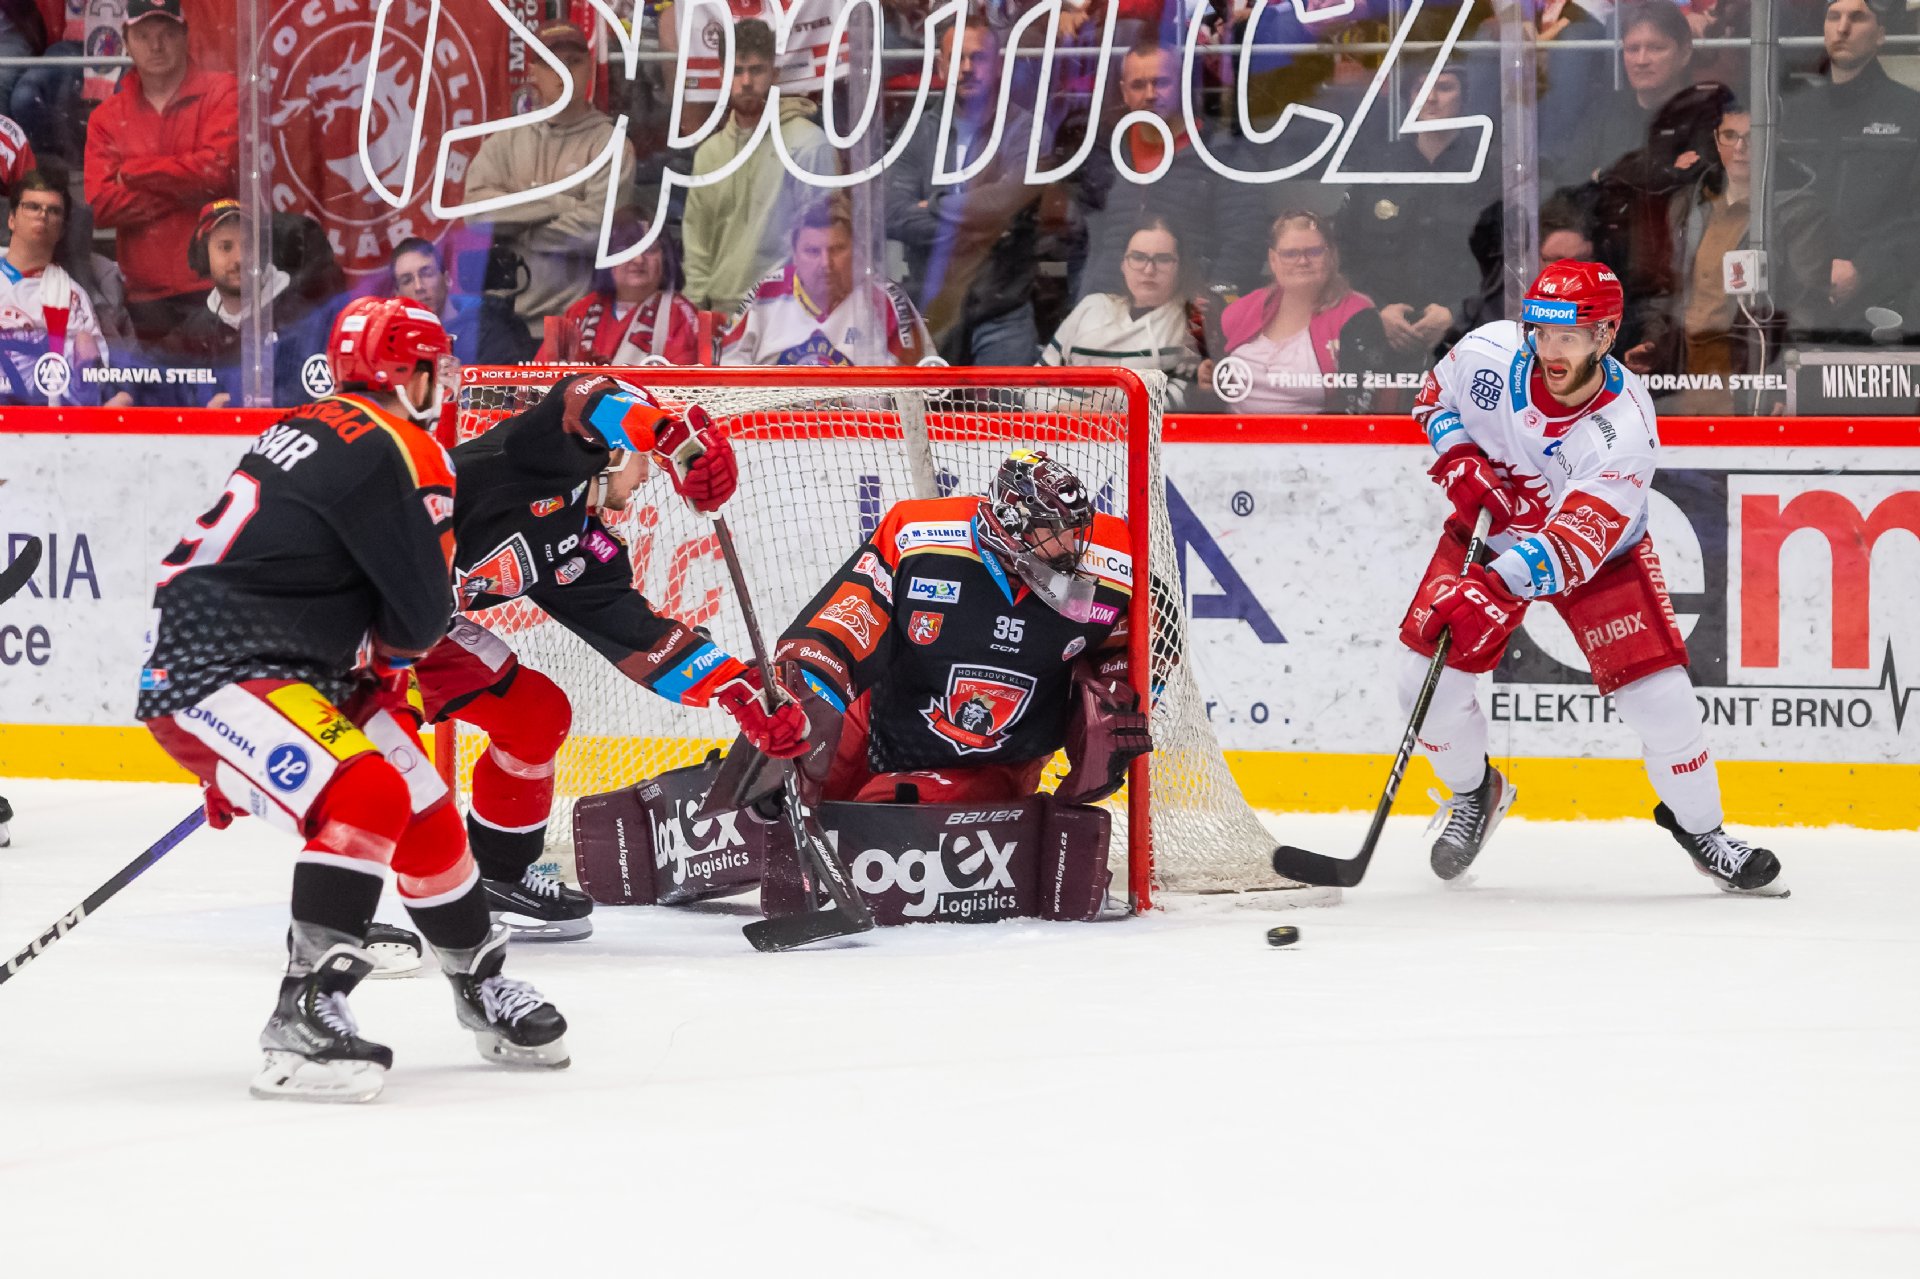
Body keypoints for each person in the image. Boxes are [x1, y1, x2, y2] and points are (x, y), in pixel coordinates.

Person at [137, 296, 570, 1102]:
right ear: (406, 373)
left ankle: (480, 981)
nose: (442, 383)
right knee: (368, 792)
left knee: (425, 809)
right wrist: (384, 667)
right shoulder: (406, 446)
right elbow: (422, 618)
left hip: (277, 663)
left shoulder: (313, 425)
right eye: (433, 368)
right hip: (227, 670)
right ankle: (304, 1010)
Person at [1398, 259, 1785, 895]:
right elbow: (1434, 398)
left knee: (1662, 702)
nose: (1550, 351)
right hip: (1490, 532)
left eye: (1569, 337)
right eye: (1541, 333)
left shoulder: (1625, 424)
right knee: (1420, 682)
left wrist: (1492, 589)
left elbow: (1575, 544)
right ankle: (1475, 793)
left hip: (1598, 559)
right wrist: (1458, 454)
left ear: (1604, 336)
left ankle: (1705, 834)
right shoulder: (1488, 352)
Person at [417, 374, 809, 939]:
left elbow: (641, 638)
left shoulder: (580, 544)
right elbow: (581, 397)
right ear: (615, 451)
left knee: (535, 715)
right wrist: (667, 435)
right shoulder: (532, 457)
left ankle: (498, 876)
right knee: (376, 755)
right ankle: (344, 919)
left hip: (417, 626)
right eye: (641, 460)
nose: (648, 475)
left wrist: (737, 689)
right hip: (346, 603)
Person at [775, 448, 1147, 808]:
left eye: (1076, 530)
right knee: (783, 782)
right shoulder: (918, 536)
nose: (1071, 546)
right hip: (883, 714)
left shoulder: (1110, 564)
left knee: (897, 810)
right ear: (1012, 524)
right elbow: (848, 619)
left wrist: (1114, 695)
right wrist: (802, 691)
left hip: (999, 755)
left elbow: (1152, 635)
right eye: (1054, 531)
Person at [1618, 101, 1826, 412]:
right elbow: (1667, 289)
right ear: (1716, 140)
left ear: (1775, 138)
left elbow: (1806, 306)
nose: (1740, 148)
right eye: (1730, 135)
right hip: (1684, 380)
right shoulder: (1688, 205)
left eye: (1752, 136)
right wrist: (1654, 342)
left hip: (1749, 382)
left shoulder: (1798, 212)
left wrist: (1785, 385)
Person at [463, 21, 635, 339]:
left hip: (578, 325)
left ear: (589, 69)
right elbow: (475, 214)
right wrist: (559, 203)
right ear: (533, 72)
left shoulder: (609, 144)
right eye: (552, 63)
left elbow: (599, 233)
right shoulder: (505, 141)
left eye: (574, 62)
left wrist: (519, 226)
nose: (564, 72)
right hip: (503, 320)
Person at [887, 17, 1042, 364]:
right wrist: (981, 224)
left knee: (1006, 404)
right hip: (933, 311)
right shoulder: (918, 132)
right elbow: (893, 213)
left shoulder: (1025, 130)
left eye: (978, 57)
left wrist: (935, 205)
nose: (967, 68)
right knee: (928, 404)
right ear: (941, 67)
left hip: (1002, 311)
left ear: (998, 65)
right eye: (956, 58)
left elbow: (1007, 203)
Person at [81, 0, 237, 344]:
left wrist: (133, 172)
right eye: (143, 36)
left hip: (219, 285)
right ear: (125, 41)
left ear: (185, 35)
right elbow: (101, 206)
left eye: (166, 34)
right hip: (144, 295)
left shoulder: (221, 90)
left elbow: (217, 173)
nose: (155, 46)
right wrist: (189, 188)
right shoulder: (106, 117)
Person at [1336, 63, 1498, 377]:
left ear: (1464, 98)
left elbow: (1509, 262)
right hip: (1379, 338)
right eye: (1420, 88)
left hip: (1470, 338)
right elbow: (1343, 252)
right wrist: (1376, 308)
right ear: (1408, 98)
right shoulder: (1377, 167)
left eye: (1445, 87)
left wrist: (1459, 312)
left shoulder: (1491, 169)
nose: (1431, 98)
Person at [1779, 0, 1920, 338]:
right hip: (1796, 302)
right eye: (1834, 17)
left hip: (1885, 304)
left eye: (1857, 17)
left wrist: (1866, 269)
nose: (1842, 28)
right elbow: (1769, 205)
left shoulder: (1911, 112)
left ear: (1880, 34)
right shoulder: (1793, 113)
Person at [681, 18, 837, 317]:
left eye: (756, 70)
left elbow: (823, 240)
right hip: (721, 312)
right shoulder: (709, 155)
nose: (746, 81)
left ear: (774, 74)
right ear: (722, 75)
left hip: (788, 311)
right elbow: (697, 245)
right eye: (737, 71)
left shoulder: (808, 145)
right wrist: (698, 311)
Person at [161, 200, 343, 408]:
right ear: (204, 257)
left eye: (248, 245)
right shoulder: (193, 331)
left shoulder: (303, 320)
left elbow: (317, 399)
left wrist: (240, 407)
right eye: (225, 247)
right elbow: (160, 389)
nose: (239, 258)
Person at [1200, 211, 1374, 413]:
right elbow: (1213, 382)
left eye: (1314, 252)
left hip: (1314, 432)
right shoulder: (1243, 309)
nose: (1302, 261)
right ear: (1273, 260)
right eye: (1290, 254)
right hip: (1232, 431)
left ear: (1332, 256)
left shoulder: (1357, 314)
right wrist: (1207, 380)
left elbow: (1359, 408)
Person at [722, 203, 931, 366]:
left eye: (837, 249)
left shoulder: (886, 301)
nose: (825, 263)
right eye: (812, 251)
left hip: (861, 412)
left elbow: (917, 387)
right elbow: (728, 371)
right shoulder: (766, 293)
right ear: (795, 255)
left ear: (857, 251)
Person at [1041, 216, 1201, 406]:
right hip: (1060, 423)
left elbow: (1184, 396)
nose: (1149, 270)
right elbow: (1035, 383)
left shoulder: (1189, 319)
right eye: (1138, 257)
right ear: (1123, 265)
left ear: (1180, 267)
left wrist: (1112, 407)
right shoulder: (1090, 307)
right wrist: (1062, 411)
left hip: (1140, 425)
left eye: (1163, 259)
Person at [0, 170, 116, 405]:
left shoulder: (73, 296)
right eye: (32, 206)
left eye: (53, 211)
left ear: (62, 230)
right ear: (11, 219)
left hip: (43, 416)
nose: (42, 215)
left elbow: (93, 383)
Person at [538, 209, 700, 365]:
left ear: (666, 258)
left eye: (650, 250)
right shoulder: (580, 311)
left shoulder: (681, 317)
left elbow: (685, 381)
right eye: (626, 249)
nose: (638, 259)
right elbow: (541, 376)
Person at [389, 237, 537, 367]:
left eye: (427, 274)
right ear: (397, 295)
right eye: (407, 280)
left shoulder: (490, 331)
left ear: (447, 279)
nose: (418, 287)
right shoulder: (394, 343)